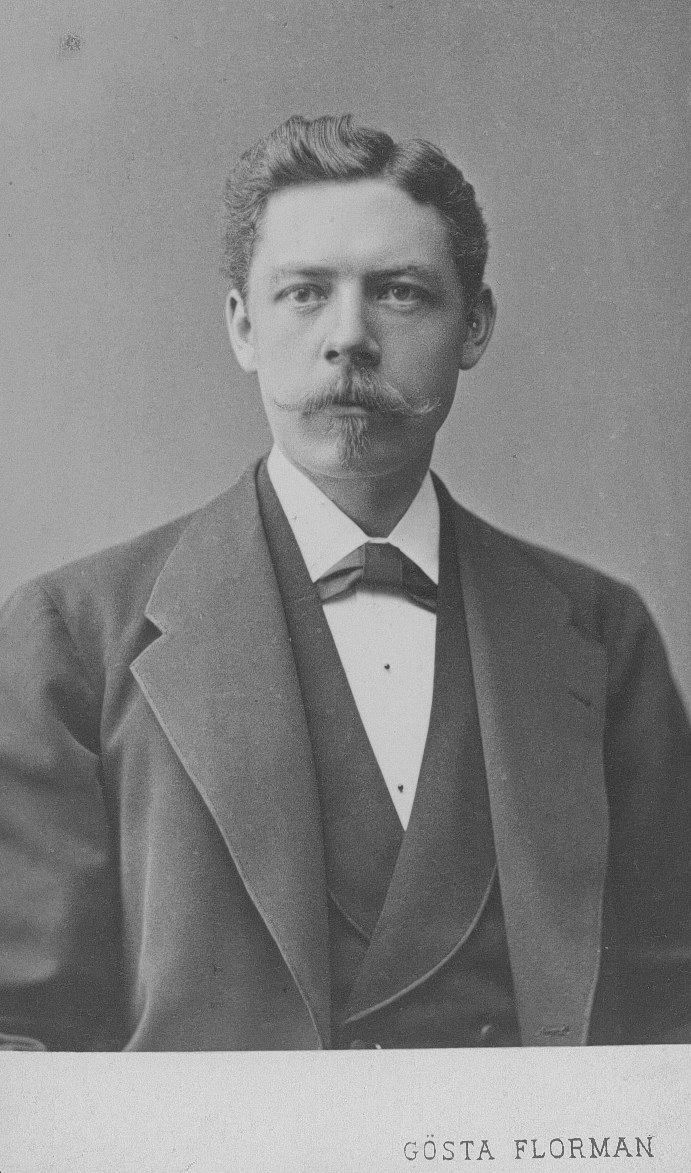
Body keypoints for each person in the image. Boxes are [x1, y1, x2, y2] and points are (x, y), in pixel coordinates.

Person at [1, 114, 690, 1052]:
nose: (349, 338)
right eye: (304, 293)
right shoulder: (76, 635)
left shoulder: (602, 633)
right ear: (243, 326)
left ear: (474, 326)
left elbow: (672, 1019)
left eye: (401, 293)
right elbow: (19, 1044)